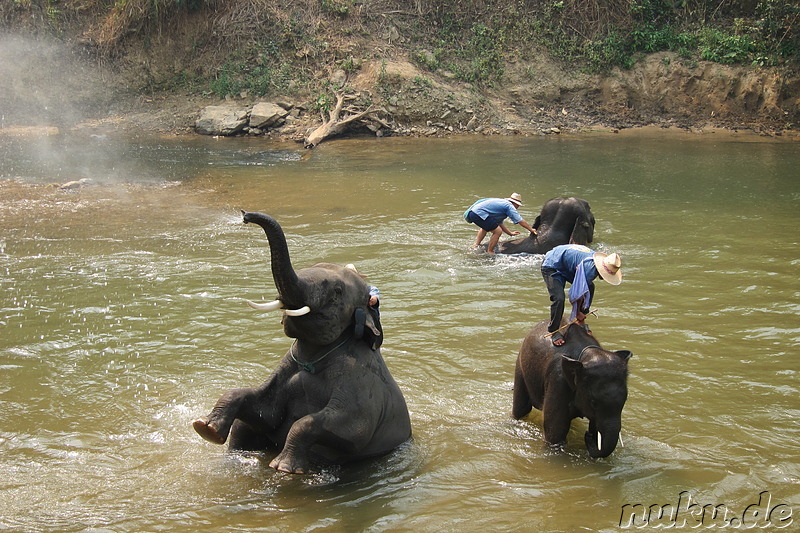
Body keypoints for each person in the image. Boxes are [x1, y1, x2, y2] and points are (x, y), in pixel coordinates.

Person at [540, 244, 623, 346]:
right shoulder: (590, 270)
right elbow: (576, 294)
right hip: (552, 265)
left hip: (567, 266)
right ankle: (554, 331)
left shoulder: (594, 263)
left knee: (590, 287)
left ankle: (580, 321)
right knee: (559, 298)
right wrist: (577, 311)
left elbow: (583, 287)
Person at [464, 193, 537, 255]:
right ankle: (490, 251)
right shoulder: (509, 206)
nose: (517, 207)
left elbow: (499, 223)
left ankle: (476, 245)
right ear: (514, 203)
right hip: (478, 213)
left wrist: (510, 233)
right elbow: (520, 220)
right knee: (498, 231)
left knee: (486, 226)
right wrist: (531, 230)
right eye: (518, 205)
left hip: (473, 213)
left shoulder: (502, 203)